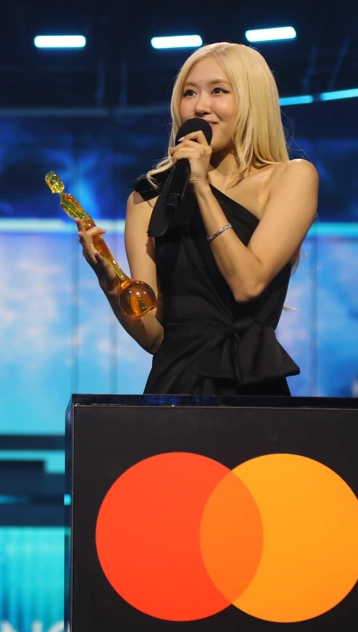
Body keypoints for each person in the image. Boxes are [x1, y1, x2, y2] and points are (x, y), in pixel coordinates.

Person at [78, 42, 318, 396]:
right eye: (189, 93)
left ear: (253, 100)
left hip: (253, 389)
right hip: (175, 388)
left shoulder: (290, 178)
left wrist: (202, 188)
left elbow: (248, 284)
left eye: (218, 91)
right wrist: (112, 283)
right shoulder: (147, 199)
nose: (200, 106)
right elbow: (153, 336)